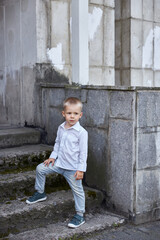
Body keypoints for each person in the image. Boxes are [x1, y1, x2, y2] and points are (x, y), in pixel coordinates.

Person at [26, 97, 88, 228]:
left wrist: (81, 169)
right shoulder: (61, 128)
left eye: (75, 114)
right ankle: (40, 193)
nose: (72, 116)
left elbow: (83, 153)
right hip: (59, 164)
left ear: (80, 115)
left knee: (78, 191)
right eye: (69, 113)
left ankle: (80, 215)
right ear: (63, 114)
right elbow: (58, 144)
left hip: (72, 169)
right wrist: (53, 157)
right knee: (40, 169)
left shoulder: (82, 133)